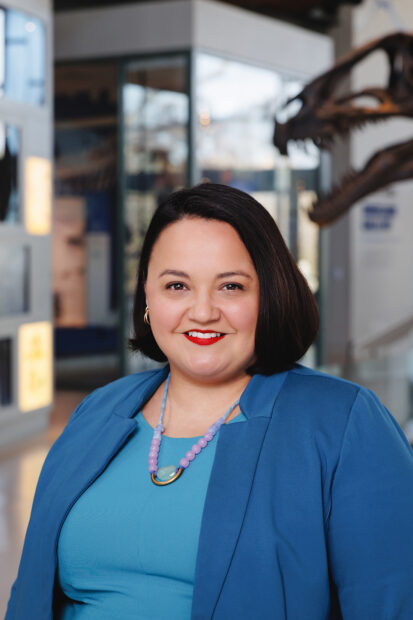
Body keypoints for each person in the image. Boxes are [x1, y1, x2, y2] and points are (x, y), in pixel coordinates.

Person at [5, 183, 413, 620]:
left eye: (231, 287)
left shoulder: (344, 422)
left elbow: (390, 602)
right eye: (177, 285)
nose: (202, 312)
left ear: (269, 294)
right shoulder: (100, 410)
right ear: (147, 296)